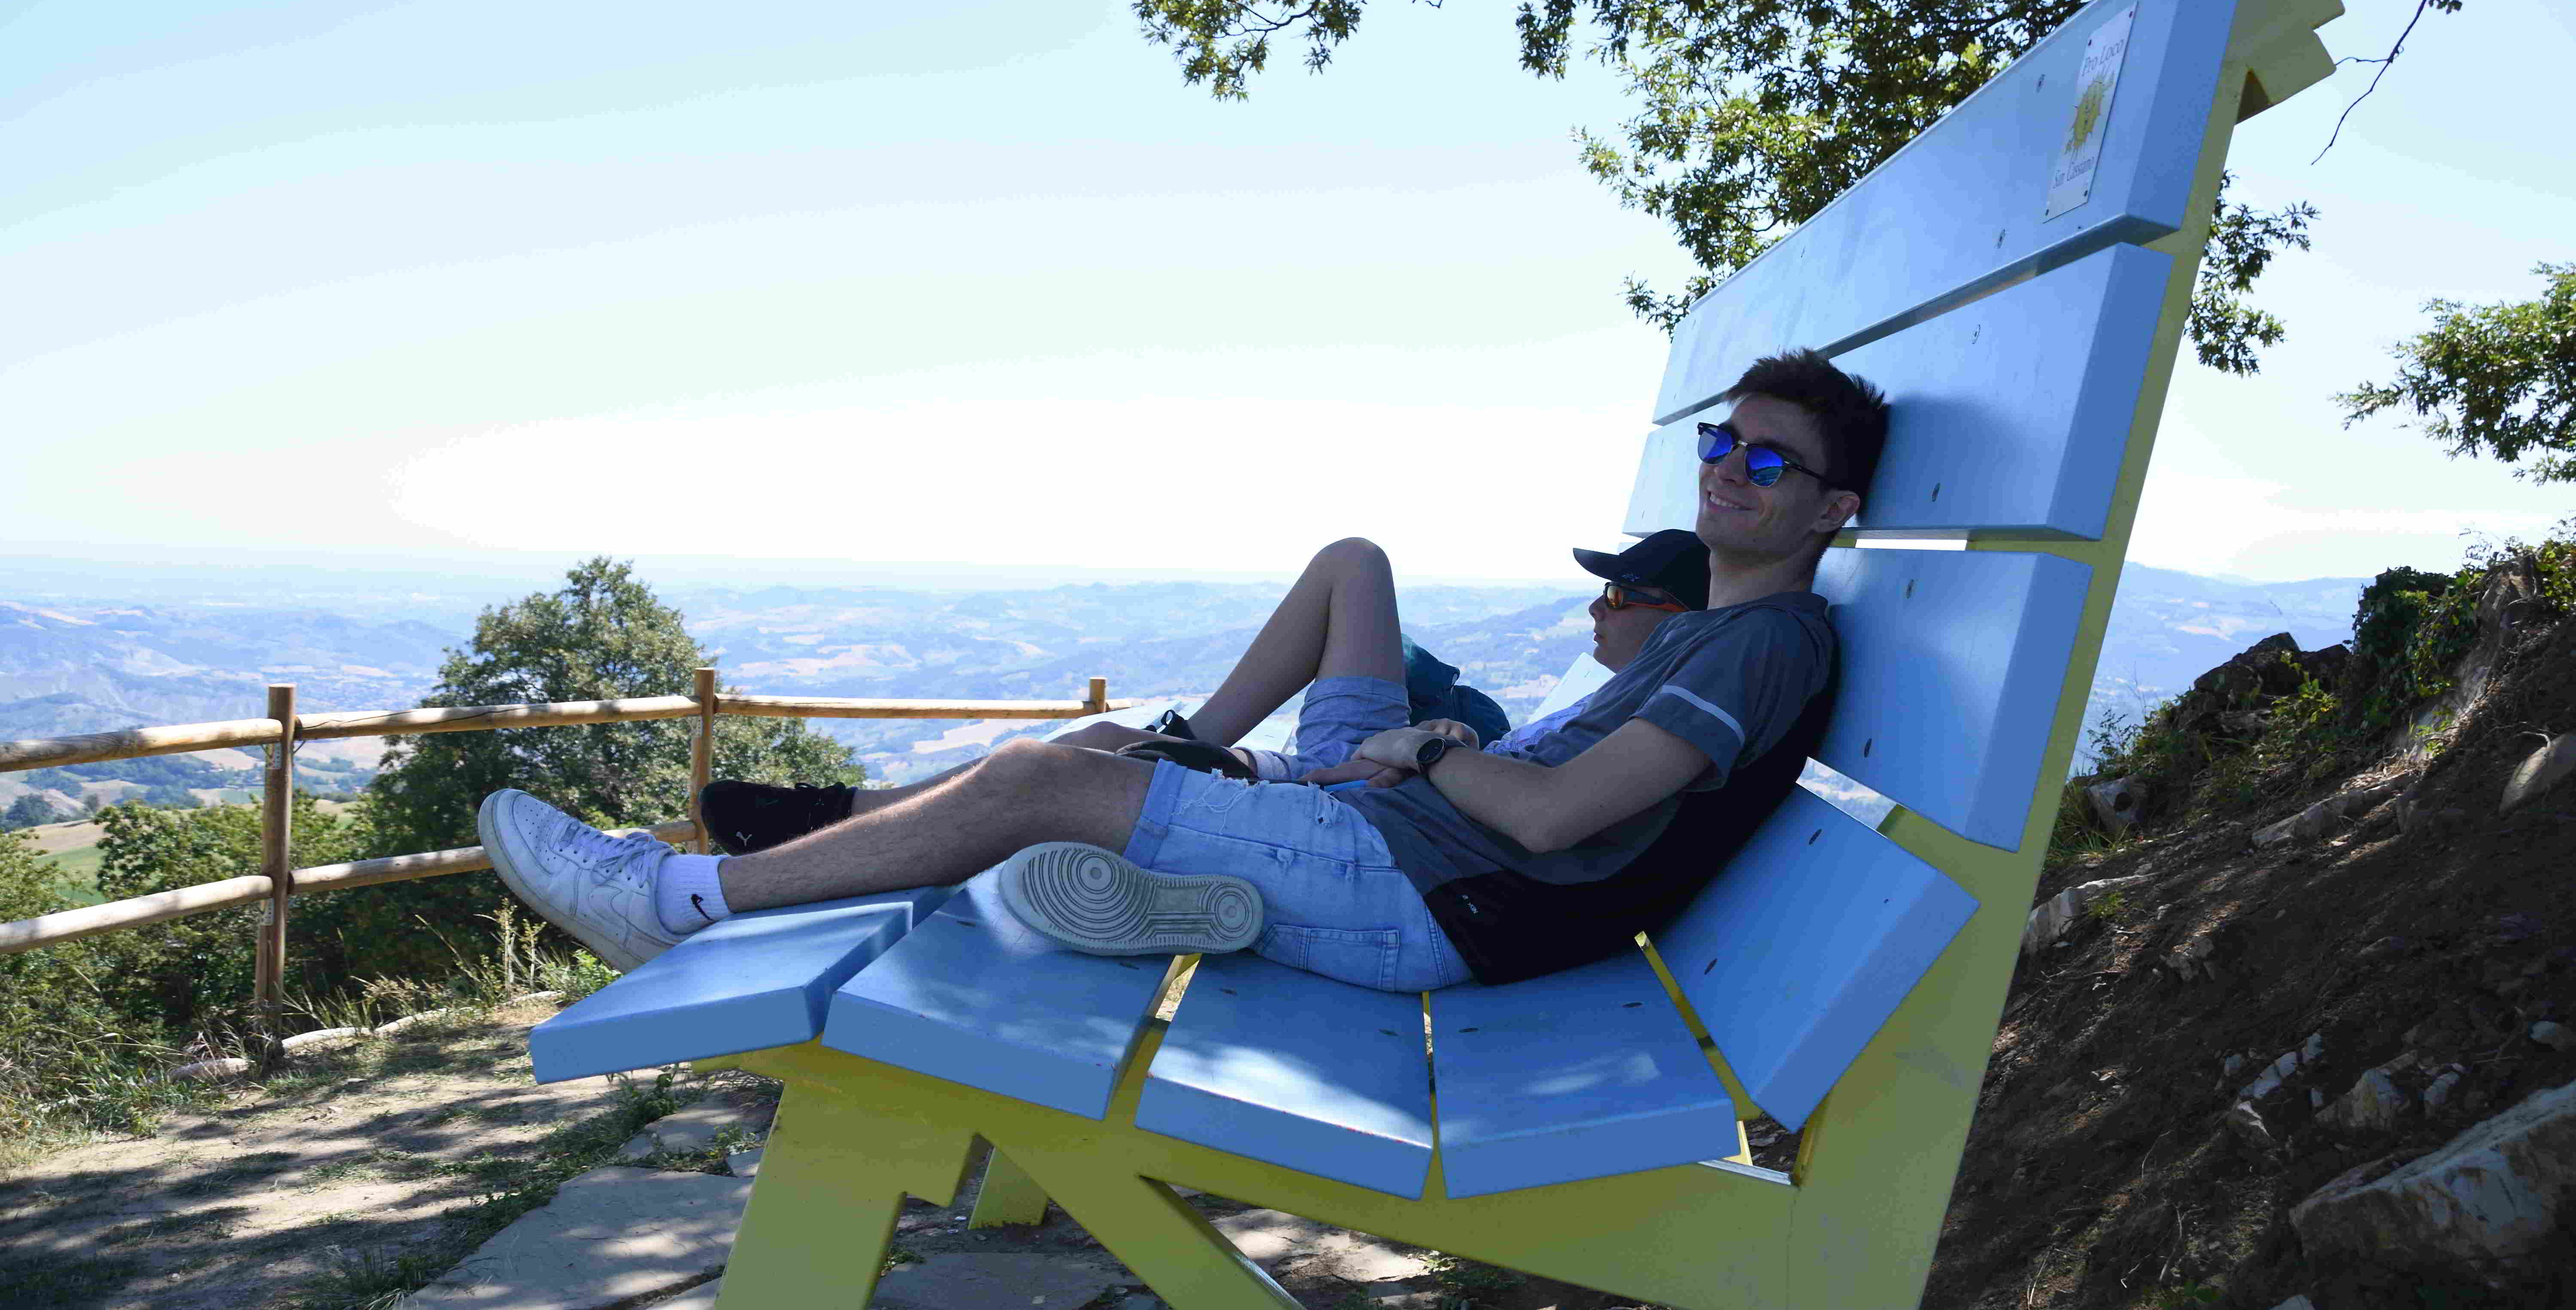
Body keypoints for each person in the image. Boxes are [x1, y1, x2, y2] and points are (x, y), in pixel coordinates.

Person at [477, 350, 1886, 991]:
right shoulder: (1711, 629)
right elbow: (1556, 787)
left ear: (1834, 511)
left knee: (1037, 778)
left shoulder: (1770, 640)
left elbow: (1561, 817)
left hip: (1422, 891)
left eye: (1771, 461)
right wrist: (1400, 759)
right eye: (1722, 442)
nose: (1730, 468)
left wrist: (1432, 751)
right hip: (1398, 828)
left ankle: (678, 905)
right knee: (1348, 565)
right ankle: (1183, 764)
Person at [693, 526, 1707, 854]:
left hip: (1373, 803)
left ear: (1675, 618)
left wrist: (1427, 754)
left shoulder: (1667, 700)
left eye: (1621, 592)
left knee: (1076, 760)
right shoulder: (1627, 687)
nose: (1597, 605)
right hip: (1380, 772)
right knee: (1353, 560)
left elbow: (1535, 815)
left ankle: (832, 818)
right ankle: (1190, 736)